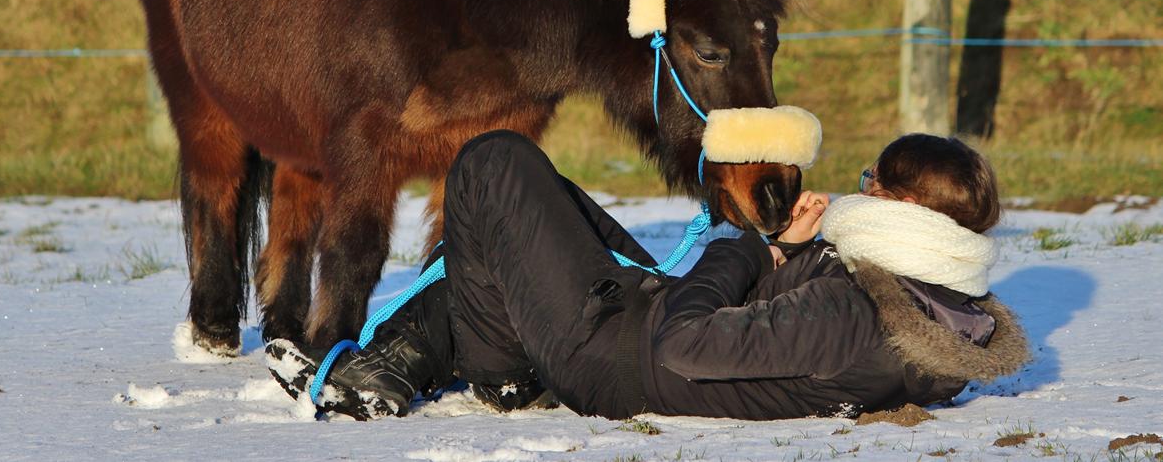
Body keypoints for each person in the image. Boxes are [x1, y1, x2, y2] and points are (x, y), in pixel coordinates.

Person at [267, 130, 1028, 421]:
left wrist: (749, 245)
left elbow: (684, 343)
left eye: (873, 179)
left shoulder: (860, 318)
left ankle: (455, 364)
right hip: (629, 322)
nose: (858, 187)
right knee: (544, 197)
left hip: (615, 355)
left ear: (902, 209)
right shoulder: (919, 299)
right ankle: (417, 352)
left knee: (491, 165)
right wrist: (792, 251)